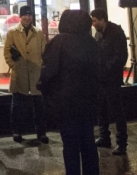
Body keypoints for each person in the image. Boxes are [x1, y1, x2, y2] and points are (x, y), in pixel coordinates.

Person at [40, 9, 100, 175]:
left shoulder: (59, 42)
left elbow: (48, 73)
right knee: (88, 142)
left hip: (66, 103)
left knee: (70, 146)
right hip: (88, 101)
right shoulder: (91, 42)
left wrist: (48, 94)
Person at [4, 4, 48, 143]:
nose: (27, 18)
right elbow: (7, 51)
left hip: (35, 73)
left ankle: (41, 132)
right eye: (25, 15)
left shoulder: (39, 32)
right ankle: (16, 131)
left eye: (30, 15)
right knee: (17, 105)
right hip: (20, 72)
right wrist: (14, 65)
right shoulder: (12, 32)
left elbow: (44, 51)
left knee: (39, 105)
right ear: (20, 16)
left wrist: (42, 67)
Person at [90, 8, 128, 155]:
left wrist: (107, 69)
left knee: (117, 111)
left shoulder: (116, 32)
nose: (92, 24)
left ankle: (122, 142)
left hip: (112, 78)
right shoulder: (98, 34)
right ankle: (104, 137)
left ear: (102, 19)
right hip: (101, 78)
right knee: (102, 109)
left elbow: (121, 56)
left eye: (94, 20)